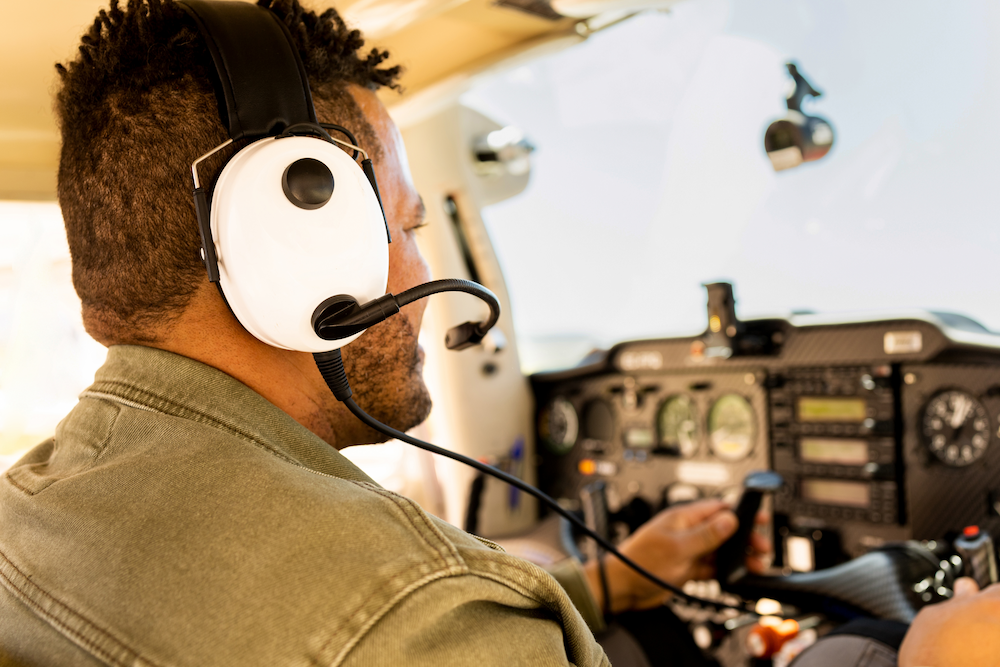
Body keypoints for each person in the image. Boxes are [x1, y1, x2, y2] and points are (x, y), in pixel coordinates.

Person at [0, 1, 767, 664]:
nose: (433, 282)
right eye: (406, 225)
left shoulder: (23, 513)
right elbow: (386, 614)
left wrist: (607, 582)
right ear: (298, 246)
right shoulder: (430, 622)